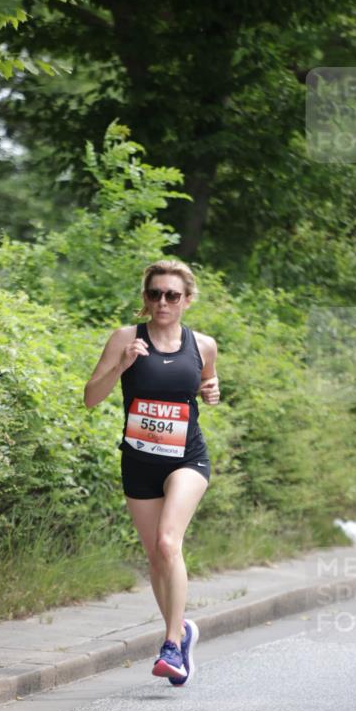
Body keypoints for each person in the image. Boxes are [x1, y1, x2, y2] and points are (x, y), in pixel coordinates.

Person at [84, 259, 220, 685]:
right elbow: (91, 397)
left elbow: (208, 386)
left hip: (186, 458)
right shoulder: (126, 339)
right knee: (156, 557)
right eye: (154, 293)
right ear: (145, 297)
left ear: (187, 300)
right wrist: (121, 366)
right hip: (139, 460)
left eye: (172, 295)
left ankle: (171, 644)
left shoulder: (203, 345)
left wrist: (212, 391)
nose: (162, 302)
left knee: (167, 541)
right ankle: (183, 632)